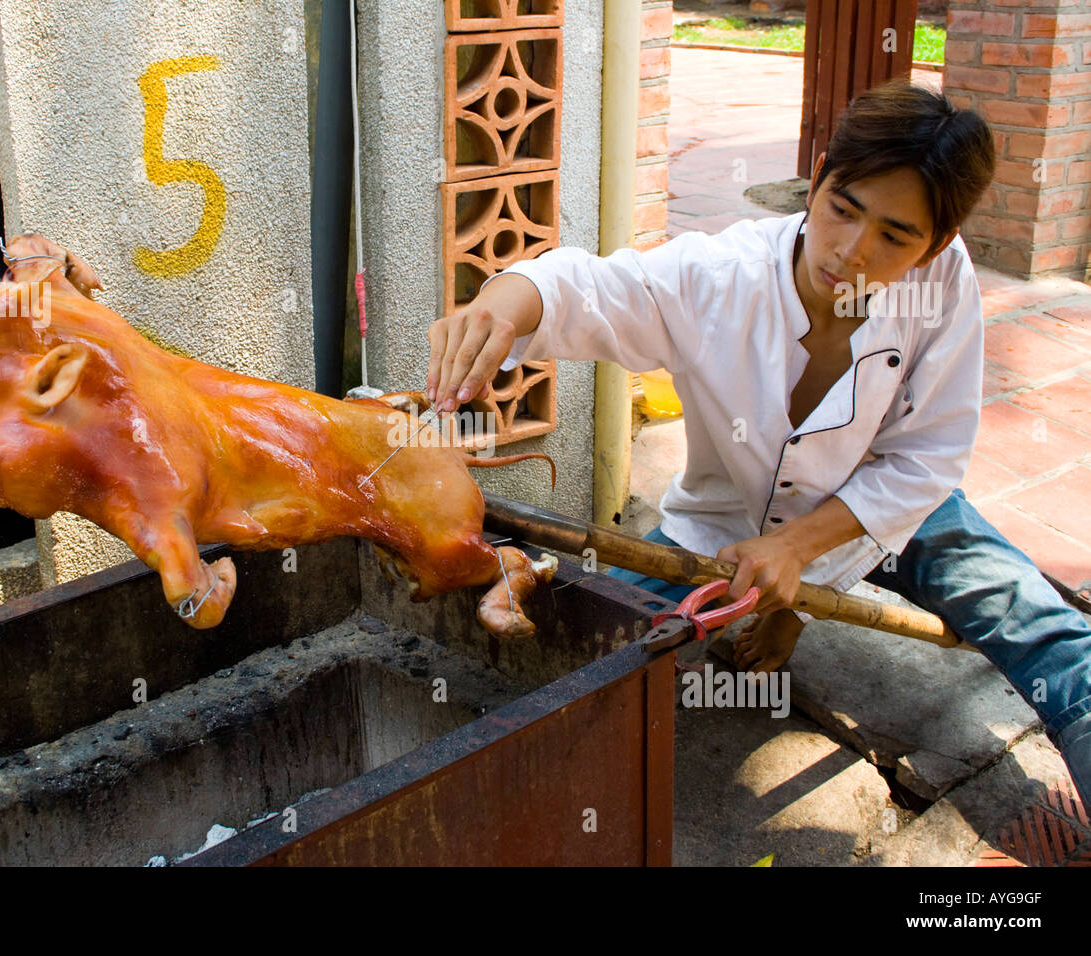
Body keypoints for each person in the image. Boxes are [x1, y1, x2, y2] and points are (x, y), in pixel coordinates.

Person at [425, 80, 1091, 807]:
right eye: (843, 208)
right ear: (822, 173)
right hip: (723, 530)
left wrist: (797, 561)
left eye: (895, 236)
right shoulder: (722, 276)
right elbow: (590, 287)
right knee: (600, 656)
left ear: (938, 245)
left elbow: (925, 457)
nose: (850, 251)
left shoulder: (942, 287)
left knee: (1048, 636)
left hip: (888, 516)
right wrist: (497, 305)